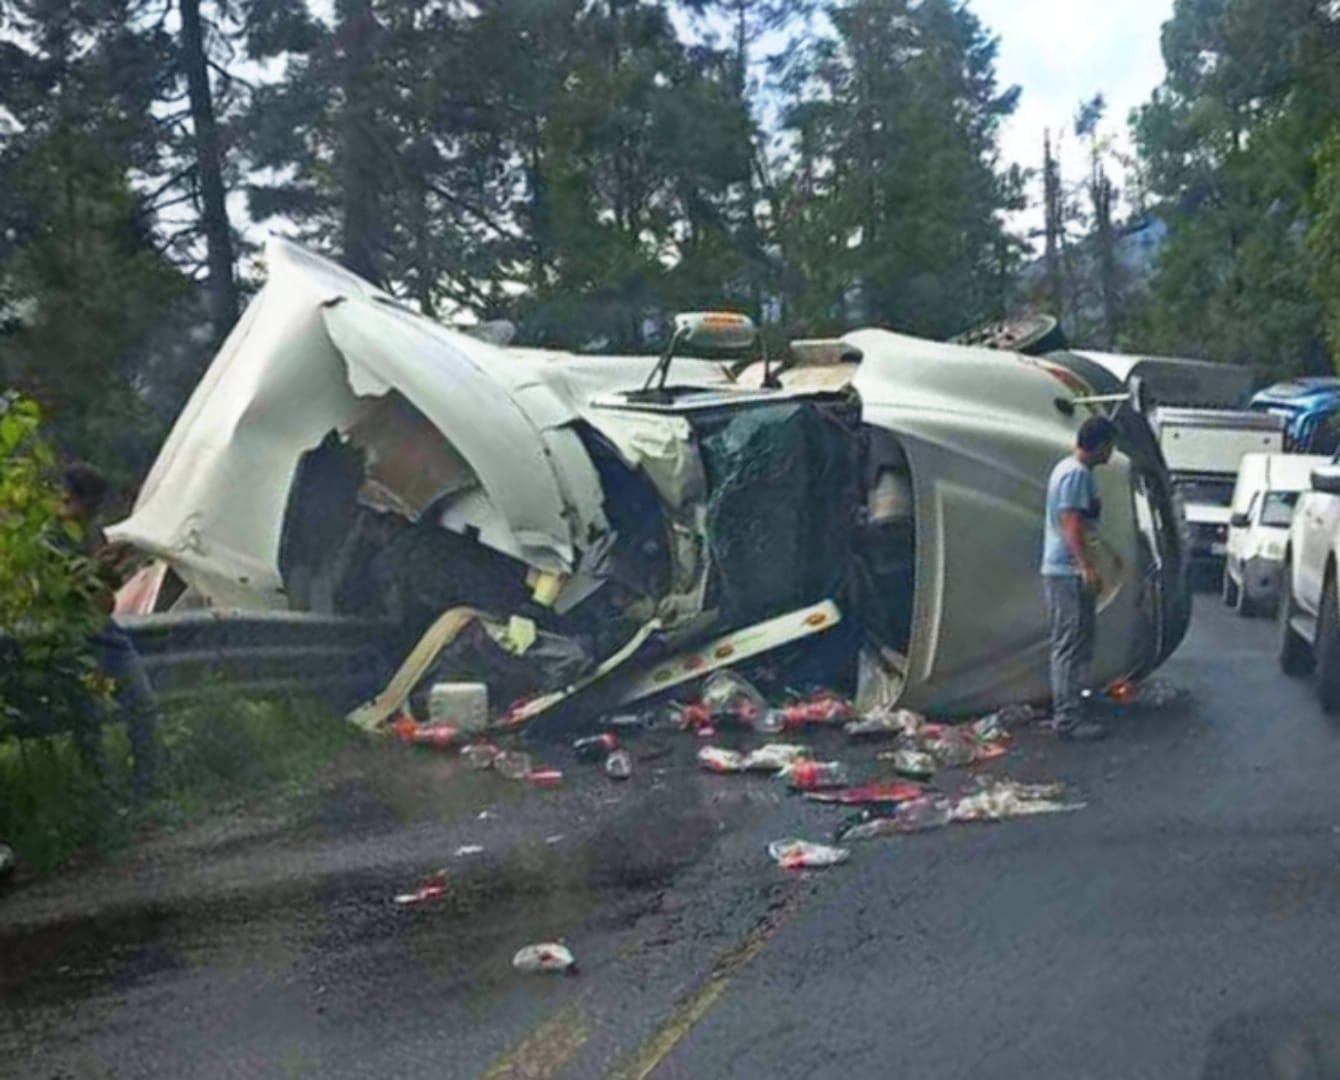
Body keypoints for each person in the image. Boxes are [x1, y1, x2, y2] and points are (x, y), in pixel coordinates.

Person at [58, 464, 159, 792]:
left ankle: (147, 783)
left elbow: (105, 597)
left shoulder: (93, 533)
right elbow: (59, 588)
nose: (93, 513)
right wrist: (95, 569)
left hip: (103, 630)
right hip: (70, 635)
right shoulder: (50, 537)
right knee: (87, 718)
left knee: (142, 703)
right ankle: (99, 788)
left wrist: (112, 568)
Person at [1040, 416, 1117, 742]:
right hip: (1066, 571)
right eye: (1110, 446)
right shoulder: (1076, 474)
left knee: (1080, 640)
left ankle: (1077, 702)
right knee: (1069, 644)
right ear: (1100, 445)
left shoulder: (1068, 469)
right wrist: (1085, 565)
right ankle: (1067, 718)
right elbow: (1071, 522)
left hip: (1069, 569)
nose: (1112, 453)